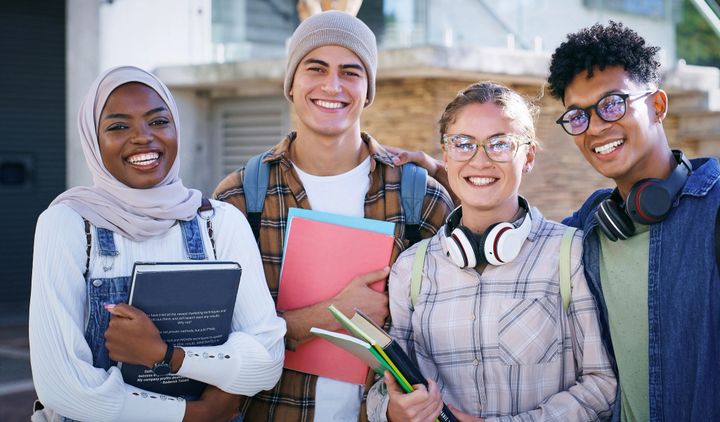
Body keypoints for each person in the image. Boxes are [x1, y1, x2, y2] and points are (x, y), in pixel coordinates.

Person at [547, 22, 720, 420]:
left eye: (612, 103)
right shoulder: (586, 232)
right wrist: (451, 178)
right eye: (577, 116)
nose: (595, 126)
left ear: (658, 106)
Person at [212, 10, 453, 421]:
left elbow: (450, 337)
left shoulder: (421, 197)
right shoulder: (238, 198)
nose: (332, 86)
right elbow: (215, 343)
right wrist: (334, 312)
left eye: (350, 72)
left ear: (368, 89)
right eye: (316, 68)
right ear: (291, 83)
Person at [29, 66, 286, 422]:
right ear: (92, 138)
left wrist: (166, 354)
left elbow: (267, 363)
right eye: (119, 126)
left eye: (158, 121)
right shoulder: (69, 225)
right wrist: (196, 414)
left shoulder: (219, 223)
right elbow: (62, 386)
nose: (143, 137)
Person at [365, 81, 616, 421]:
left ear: (527, 156)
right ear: (445, 153)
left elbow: (601, 386)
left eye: (500, 144)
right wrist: (393, 410)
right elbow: (385, 385)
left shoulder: (569, 253)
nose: (479, 160)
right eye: (463, 144)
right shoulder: (411, 268)